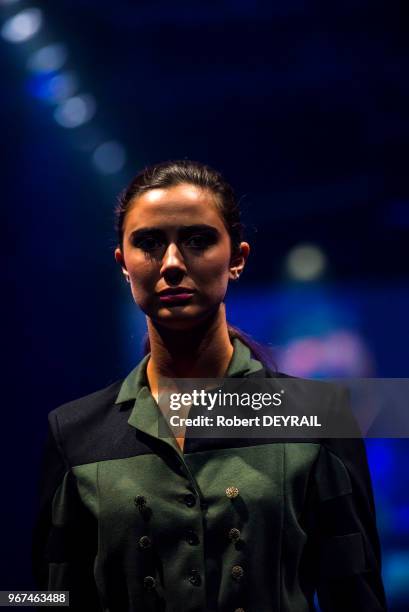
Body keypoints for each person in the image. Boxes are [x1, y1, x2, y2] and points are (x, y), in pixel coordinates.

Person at [32, 160, 387, 611]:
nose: (173, 263)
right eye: (149, 243)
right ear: (123, 264)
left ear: (237, 258)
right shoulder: (74, 432)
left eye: (198, 240)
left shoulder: (320, 417)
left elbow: (356, 595)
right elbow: (46, 597)